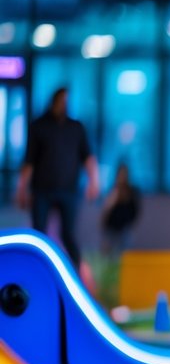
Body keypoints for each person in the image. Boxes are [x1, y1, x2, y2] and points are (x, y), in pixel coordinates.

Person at [14, 86, 100, 268]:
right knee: (39, 235)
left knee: (68, 234)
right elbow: (29, 161)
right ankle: (37, 270)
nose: (64, 105)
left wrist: (94, 181)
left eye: (67, 101)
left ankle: (75, 276)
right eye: (62, 100)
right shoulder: (39, 126)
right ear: (54, 101)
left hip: (68, 189)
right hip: (42, 190)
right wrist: (21, 189)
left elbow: (88, 158)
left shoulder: (76, 128)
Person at [101, 162, 141, 259]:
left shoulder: (131, 192)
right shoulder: (113, 190)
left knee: (124, 255)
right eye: (120, 173)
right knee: (109, 257)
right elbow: (106, 209)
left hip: (125, 228)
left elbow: (135, 210)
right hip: (111, 228)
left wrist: (130, 222)